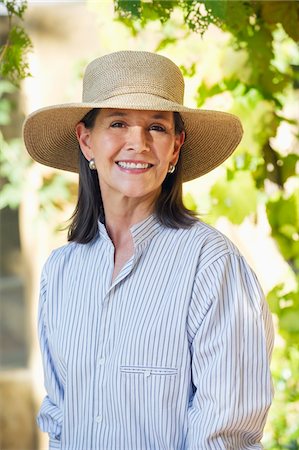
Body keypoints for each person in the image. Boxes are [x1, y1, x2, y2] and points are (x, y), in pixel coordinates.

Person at [23, 51, 274, 450]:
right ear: (86, 140)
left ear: (175, 147)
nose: (137, 143)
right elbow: (60, 418)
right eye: (118, 123)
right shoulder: (61, 271)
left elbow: (225, 436)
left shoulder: (211, 264)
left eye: (156, 127)